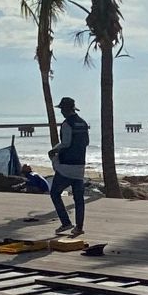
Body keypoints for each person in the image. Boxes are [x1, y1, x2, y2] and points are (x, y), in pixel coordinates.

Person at [48, 96, 90, 236]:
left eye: (61, 109)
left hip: (66, 166)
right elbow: (86, 142)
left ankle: (66, 222)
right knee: (79, 198)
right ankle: (79, 227)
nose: (61, 112)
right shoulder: (83, 123)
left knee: (55, 193)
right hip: (80, 165)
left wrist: (54, 150)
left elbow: (66, 143)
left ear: (65, 110)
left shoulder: (67, 124)